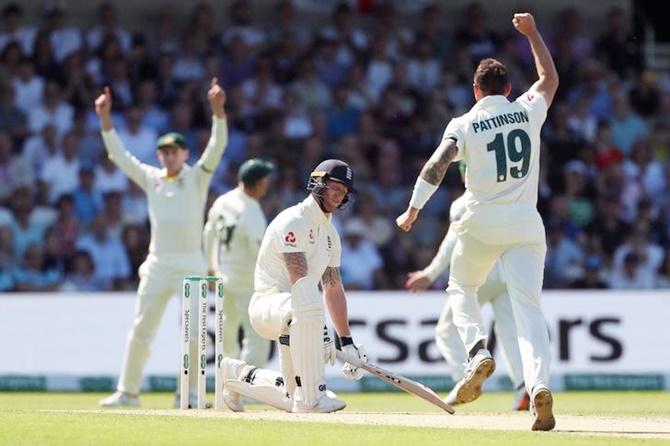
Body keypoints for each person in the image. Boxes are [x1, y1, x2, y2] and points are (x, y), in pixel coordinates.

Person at [396, 13, 558, 431]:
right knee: (530, 311)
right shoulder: (526, 109)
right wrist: (532, 33)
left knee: (461, 286)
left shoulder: (464, 123)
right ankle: (538, 385)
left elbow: (438, 163)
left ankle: (476, 352)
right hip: (526, 223)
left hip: (482, 221)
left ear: (475, 90)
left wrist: (413, 208)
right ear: (507, 89)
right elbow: (549, 78)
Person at [95, 78, 228, 407]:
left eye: (175, 151)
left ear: (185, 153)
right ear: (159, 155)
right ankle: (128, 392)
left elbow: (217, 146)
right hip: (157, 263)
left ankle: (192, 394)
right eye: (165, 152)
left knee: (195, 334)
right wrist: (105, 119)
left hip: (190, 263)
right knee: (142, 328)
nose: (169, 156)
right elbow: (119, 155)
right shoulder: (151, 178)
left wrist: (217, 111)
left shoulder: (197, 177)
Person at [220, 159, 367, 413]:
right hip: (269, 306)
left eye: (343, 192)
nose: (338, 196)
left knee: (293, 396)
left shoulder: (331, 234)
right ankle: (315, 397)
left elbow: (332, 287)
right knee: (307, 298)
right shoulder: (293, 220)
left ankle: (236, 375)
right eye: (334, 188)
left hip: (297, 318)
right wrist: (321, 332)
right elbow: (299, 280)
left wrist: (346, 341)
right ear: (318, 184)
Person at [405, 166, 529, 411]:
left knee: (446, 329)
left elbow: (453, 241)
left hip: (478, 273)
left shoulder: (463, 204)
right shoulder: (508, 199)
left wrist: (429, 274)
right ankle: (524, 388)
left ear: (465, 175)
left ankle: (465, 378)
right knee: (511, 335)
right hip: (506, 276)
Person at [203, 158, 275, 368]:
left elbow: (208, 234)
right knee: (258, 335)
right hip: (248, 281)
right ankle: (248, 386)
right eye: (265, 180)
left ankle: (228, 383)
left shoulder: (224, 201)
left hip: (224, 278)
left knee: (227, 333)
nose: (267, 184)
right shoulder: (251, 210)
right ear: (259, 183)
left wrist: (210, 267)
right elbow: (259, 250)